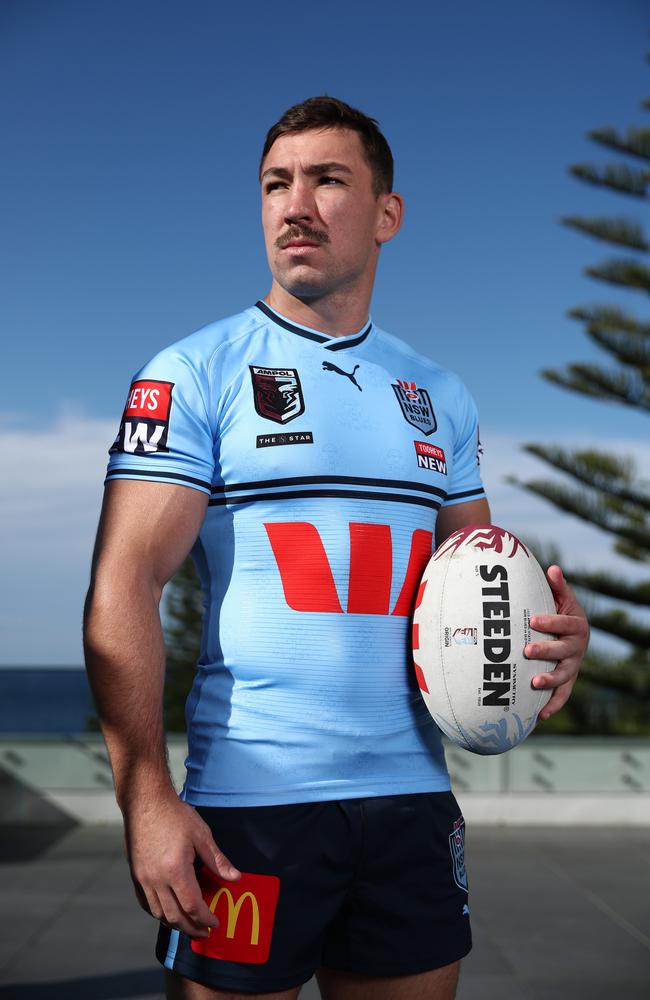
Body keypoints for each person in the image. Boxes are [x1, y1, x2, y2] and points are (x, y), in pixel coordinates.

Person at [84, 96, 589, 1000]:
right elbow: (125, 582)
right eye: (277, 183)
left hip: (413, 804)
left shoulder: (438, 392)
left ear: (387, 214)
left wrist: (552, 640)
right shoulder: (194, 371)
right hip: (250, 811)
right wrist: (147, 796)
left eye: (328, 180)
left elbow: (478, 581)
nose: (295, 205)